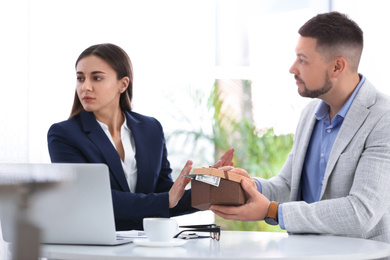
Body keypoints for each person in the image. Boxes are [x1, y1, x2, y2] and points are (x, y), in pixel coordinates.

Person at [210, 11, 390, 245]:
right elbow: (287, 185)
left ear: (337, 67)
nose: (292, 68)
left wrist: (273, 211)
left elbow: (361, 212)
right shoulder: (311, 112)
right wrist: (246, 187)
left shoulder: (383, 118)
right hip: (306, 252)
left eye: (303, 60)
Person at [47, 43, 234, 231]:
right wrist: (165, 200)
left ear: (123, 84)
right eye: (80, 78)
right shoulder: (63, 135)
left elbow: (166, 196)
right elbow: (91, 198)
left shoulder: (150, 128)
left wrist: (210, 189)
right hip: (95, 246)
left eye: (96, 78)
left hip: (145, 246)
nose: (85, 87)